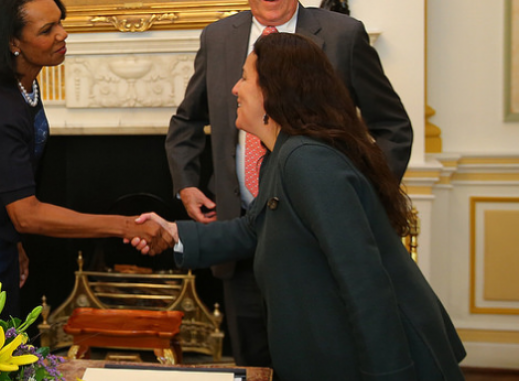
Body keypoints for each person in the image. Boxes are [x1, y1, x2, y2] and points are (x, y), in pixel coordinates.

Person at [135, 32, 465, 380]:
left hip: (383, 360)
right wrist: (175, 233)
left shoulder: (308, 162)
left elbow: (363, 279)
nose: (235, 89)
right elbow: (253, 228)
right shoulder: (283, 155)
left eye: (245, 78)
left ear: (272, 92)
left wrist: (389, 374)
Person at [164, 0, 413, 366]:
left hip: (316, 243)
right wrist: (187, 184)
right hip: (239, 231)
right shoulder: (218, 38)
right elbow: (187, 120)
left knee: (318, 360)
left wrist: (361, 197)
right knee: (253, 362)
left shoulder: (342, 36)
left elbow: (393, 127)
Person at [0, 0, 170, 318]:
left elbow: (9, 184)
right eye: (47, 30)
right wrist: (126, 226)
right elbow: (26, 213)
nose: (63, 34)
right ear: (13, 42)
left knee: (0, 339)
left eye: (60, 22)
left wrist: (12, 240)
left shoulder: (23, 85)